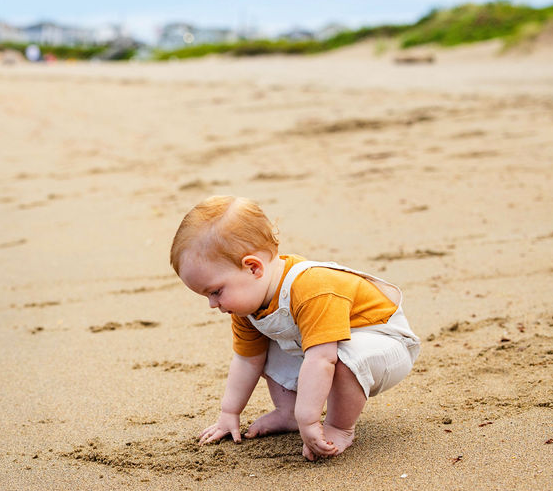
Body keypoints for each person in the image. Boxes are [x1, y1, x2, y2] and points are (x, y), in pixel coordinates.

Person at [170, 196, 420, 461]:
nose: (212, 304)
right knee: (266, 348)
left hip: (384, 342)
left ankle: (340, 426)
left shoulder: (311, 288)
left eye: (215, 291)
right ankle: (286, 411)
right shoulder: (248, 307)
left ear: (253, 268)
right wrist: (229, 413)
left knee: (345, 358)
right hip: (330, 347)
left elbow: (323, 359)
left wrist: (310, 420)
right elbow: (247, 360)